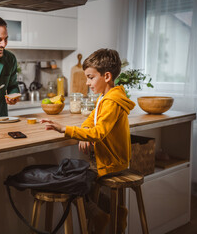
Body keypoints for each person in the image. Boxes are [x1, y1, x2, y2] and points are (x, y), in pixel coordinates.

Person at [41, 48, 135, 233]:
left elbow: (98, 132)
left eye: (91, 77)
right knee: (81, 182)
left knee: (69, 182)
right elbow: (91, 119)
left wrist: (64, 129)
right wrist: (84, 129)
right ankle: (116, 213)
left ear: (106, 76)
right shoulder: (105, 98)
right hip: (106, 161)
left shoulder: (111, 102)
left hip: (110, 164)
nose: (87, 82)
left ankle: (99, 216)